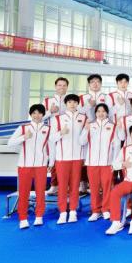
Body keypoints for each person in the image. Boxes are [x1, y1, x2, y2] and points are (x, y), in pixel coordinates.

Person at [8, 104, 53, 229]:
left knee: (40, 192)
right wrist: (24, 137)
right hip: (24, 165)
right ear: (31, 114)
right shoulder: (23, 128)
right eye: (34, 113)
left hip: (41, 165)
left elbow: (51, 147)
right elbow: (10, 143)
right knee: (23, 192)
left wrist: (51, 162)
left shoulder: (48, 129)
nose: (36, 115)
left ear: (43, 115)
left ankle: (39, 216)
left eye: (39, 113)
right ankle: (23, 218)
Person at [50, 94, 87, 225]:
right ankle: (62, 212)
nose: (72, 104)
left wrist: (85, 157)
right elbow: (51, 138)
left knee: (75, 186)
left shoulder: (83, 118)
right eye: (70, 102)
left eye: (75, 102)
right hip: (62, 157)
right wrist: (61, 133)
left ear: (78, 104)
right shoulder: (57, 119)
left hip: (77, 157)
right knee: (62, 186)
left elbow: (84, 141)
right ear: (66, 104)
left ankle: (72, 211)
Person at [79, 103, 118, 221]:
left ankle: (106, 209)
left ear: (107, 113)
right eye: (98, 111)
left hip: (107, 162)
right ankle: (95, 210)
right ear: (95, 113)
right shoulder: (90, 126)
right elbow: (82, 142)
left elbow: (116, 146)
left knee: (107, 187)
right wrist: (85, 130)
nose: (101, 113)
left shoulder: (113, 126)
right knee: (94, 187)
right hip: (92, 162)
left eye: (103, 111)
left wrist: (115, 162)